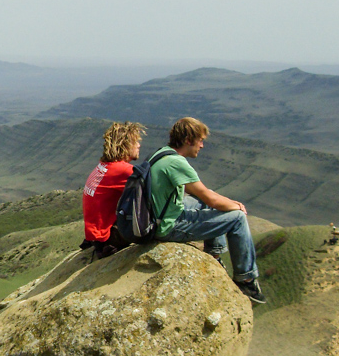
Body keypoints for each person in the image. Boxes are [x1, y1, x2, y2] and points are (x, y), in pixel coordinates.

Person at [149, 117, 266, 303]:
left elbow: (205, 195)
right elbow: (210, 199)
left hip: (160, 215)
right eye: (200, 140)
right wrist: (237, 207)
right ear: (188, 140)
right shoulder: (177, 163)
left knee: (208, 200)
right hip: (169, 225)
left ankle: (214, 254)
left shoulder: (162, 154)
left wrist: (228, 202)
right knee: (237, 218)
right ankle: (246, 279)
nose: (202, 146)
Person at [81, 121, 145, 259]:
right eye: (136, 142)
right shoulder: (122, 170)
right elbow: (151, 192)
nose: (139, 145)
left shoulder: (105, 166)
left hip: (95, 236)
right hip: (108, 238)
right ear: (125, 145)